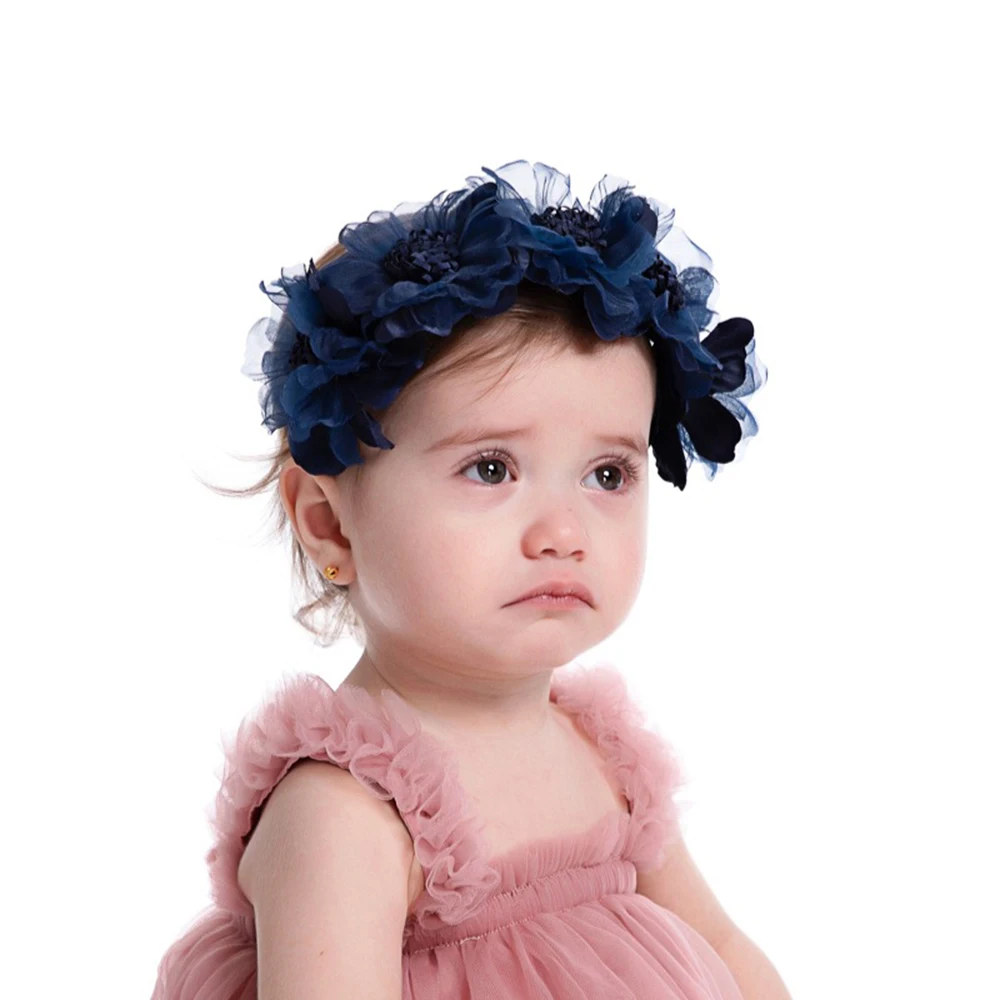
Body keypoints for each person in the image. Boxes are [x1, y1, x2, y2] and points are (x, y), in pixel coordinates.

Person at [150, 159, 789, 999]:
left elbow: (723, 947)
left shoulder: (601, 752)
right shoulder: (347, 814)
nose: (563, 534)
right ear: (330, 524)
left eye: (606, 475)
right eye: (491, 469)